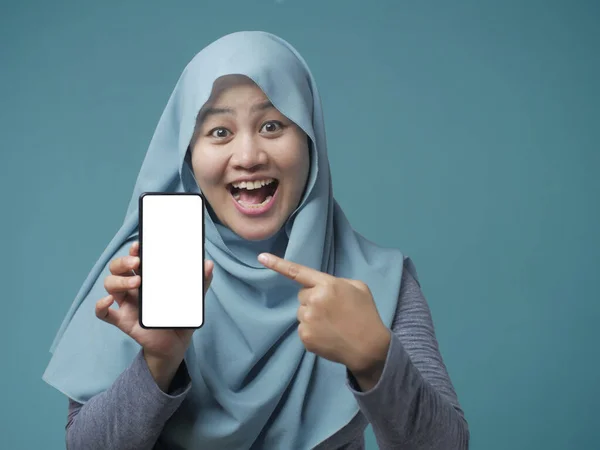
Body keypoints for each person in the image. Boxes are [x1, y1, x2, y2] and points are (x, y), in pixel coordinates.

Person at [42, 31, 469, 449]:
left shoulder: (378, 282)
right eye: (219, 132)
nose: (248, 157)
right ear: (188, 155)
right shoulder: (143, 272)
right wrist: (158, 364)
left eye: (271, 125)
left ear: (310, 142)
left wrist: (376, 359)